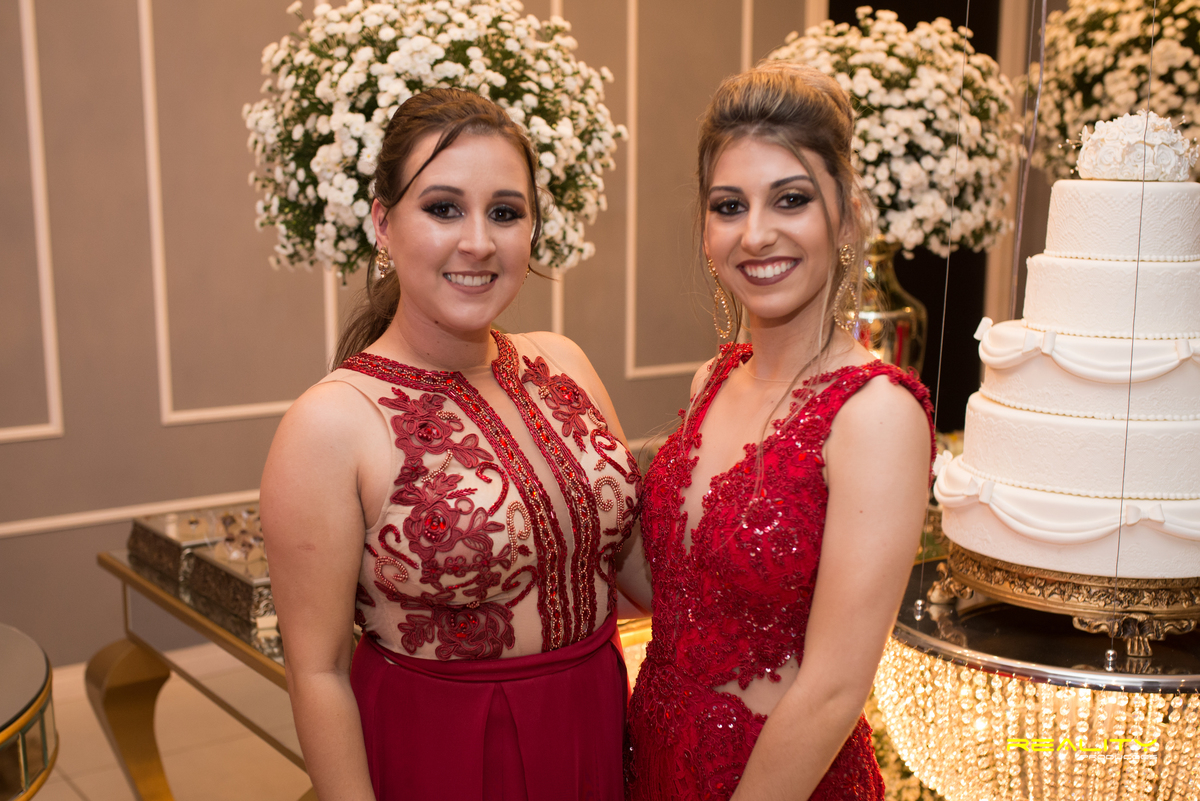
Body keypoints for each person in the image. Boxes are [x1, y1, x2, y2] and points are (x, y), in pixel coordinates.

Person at [260, 88, 640, 801]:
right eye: (443, 208)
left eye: (505, 212)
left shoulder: (564, 361)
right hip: (446, 751)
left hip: (595, 723)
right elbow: (317, 672)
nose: (478, 242)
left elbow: (639, 567)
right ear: (383, 223)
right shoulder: (331, 423)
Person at [621, 63, 936, 800]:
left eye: (791, 200)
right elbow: (679, 592)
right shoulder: (712, 379)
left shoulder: (875, 413)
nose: (756, 234)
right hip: (654, 766)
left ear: (846, 215)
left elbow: (832, 690)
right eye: (729, 206)